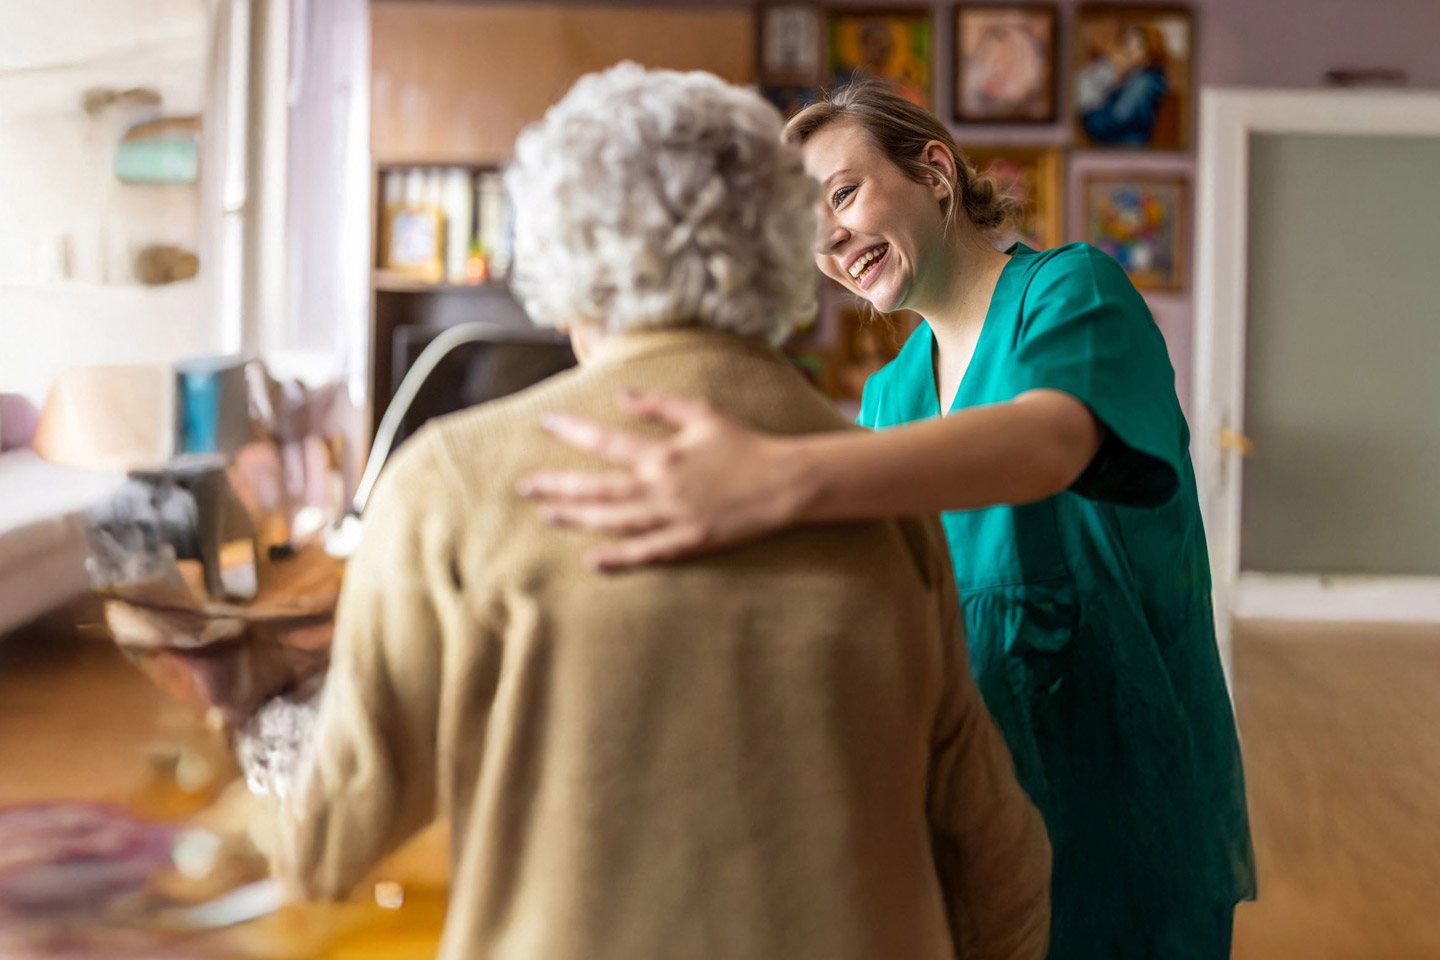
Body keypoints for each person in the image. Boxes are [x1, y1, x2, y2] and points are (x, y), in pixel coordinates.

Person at [244, 65, 1052, 960]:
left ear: (557, 251)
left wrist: (245, 712)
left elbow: (324, 839)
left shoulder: (448, 484)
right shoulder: (881, 490)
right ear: (780, 240)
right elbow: (998, 856)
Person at [520, 81, 1256, 960]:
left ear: (935, 172)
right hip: (974, 802)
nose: (829, 238)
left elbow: (1046, 440)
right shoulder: (888, 396)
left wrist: (775, 473)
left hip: (1120, 786)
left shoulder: (1074, 293)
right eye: (807, 224)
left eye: (843, 193)